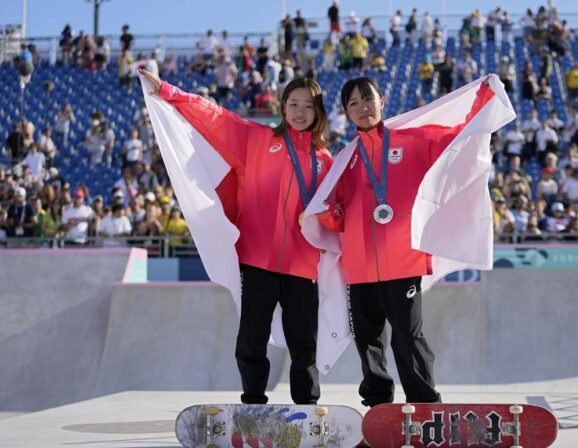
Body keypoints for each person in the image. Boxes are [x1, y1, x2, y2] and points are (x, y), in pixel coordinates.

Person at [139, 69, 333, 405]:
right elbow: (214, 116)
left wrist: (326, 217)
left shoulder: (325, 161)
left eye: (309, 106)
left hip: (303, 265)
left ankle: (307, 406)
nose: (300, 112)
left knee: (304, 341)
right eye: (294, 104)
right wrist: (169, 91)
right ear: (283, 106)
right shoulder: (256, 140)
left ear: (319, 113)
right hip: (257, 259)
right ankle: (254, 401)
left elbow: (335, 211)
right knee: (251, 338)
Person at [315, 76, 500, 407]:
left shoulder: (412, 140)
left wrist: (481, 99)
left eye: (366, 99)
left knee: (407, 337)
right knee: (367, 340)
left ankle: (425, 404)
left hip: (402, 261)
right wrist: (326, 215)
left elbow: (459, 139)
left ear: (381, 101)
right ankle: (378, 407)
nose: (362, 108)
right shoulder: (347, 158)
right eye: (353, 104)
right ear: (346, 112)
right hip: (358, 268)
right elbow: (337, 212)